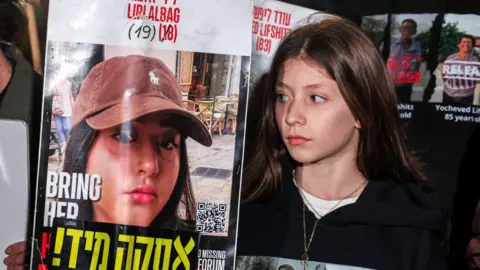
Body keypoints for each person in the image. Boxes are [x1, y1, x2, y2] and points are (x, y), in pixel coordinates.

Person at [236, 14, 449, 270]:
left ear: (362, 110)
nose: (291, 116)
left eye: (316, 98)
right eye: (283, 96)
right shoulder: (243, 211)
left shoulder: (411, 229)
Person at [4, 55, 213, 268]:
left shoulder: (197, 249)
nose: (150, 165)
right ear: (82, 150)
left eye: (167, 143)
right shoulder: (44, 242)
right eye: (124, 137)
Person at [384, 18, 422, 103]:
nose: (406, 30)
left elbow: (417, 65)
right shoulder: (390, 42)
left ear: (414, 31)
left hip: (406, 87)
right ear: (400, 29)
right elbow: (379, 59)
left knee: (405, 109)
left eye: (410, 28)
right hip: (389, 86)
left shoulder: (417, 45)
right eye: (404, 27)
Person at [442, 34, 479, 104]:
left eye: (469, 42)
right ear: (458, 45)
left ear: (472, 46)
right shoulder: (450, 58)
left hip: (467, 96)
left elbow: (476, 78)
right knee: (446, 114)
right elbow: (444, 75)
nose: (466, 44)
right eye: (464, 42)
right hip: (448, 95)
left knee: (461, 115)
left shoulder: (475, 61)